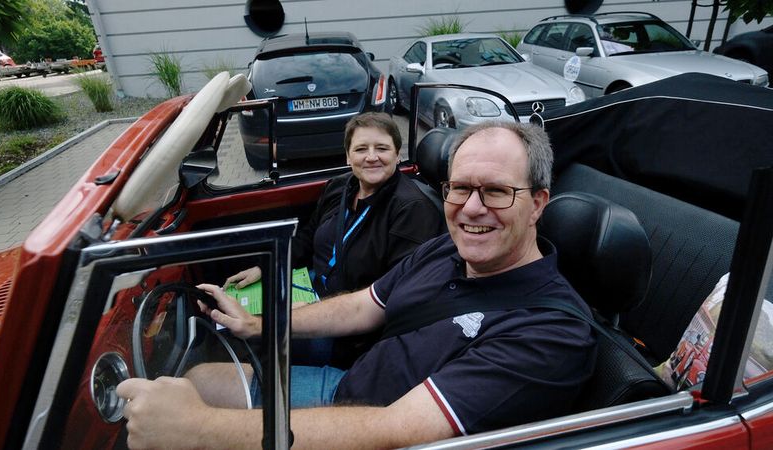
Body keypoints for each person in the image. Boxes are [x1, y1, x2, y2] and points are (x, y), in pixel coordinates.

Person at [117, 121, 598, 449]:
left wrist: (199, 430)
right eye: (459, 187)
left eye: (495, 191)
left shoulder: (551, 332)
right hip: (349, 385)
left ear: (537, 203)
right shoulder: (447, 249)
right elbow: (364, 306)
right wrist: (259, 323)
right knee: (196, 380)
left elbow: (393, 431)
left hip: (372, 424)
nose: (471, 208)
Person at [225, 111, 444, 367]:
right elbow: (307, 238)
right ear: (348, 156)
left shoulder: (412, 211)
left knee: (255, 340)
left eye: (382, 148)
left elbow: (395, 297)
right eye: (361, 148)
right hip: (312, 288)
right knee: (233, 321)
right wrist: (268, 267)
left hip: (351, 333)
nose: (371, 157)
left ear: (397, 154)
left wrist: (310, 312)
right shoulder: (339, 187)